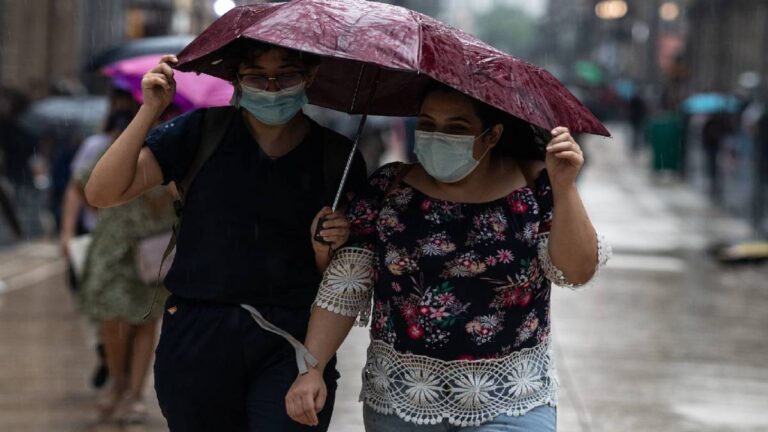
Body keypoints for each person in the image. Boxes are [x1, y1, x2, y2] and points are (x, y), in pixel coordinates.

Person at [285, 83, 611, 431]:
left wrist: (565, 186)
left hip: (511, 401)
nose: (438, 136)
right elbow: (345, 286)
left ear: (492, 135)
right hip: (402, 400)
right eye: (427, 124)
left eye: (456, 128)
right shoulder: (388, 188)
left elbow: (575, 271)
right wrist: (312, 369)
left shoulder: (536, 186)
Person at [84, 41, 367, 431]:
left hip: (292, 340)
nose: (271, 87)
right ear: (237, 78)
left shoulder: (338, 156)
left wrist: (328, 246)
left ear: (310, 76)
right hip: (199, 335)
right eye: (256, 76)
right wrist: (149, 110)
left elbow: (346, 275)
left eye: (285, 75)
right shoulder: (200, 133)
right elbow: (102, 192)